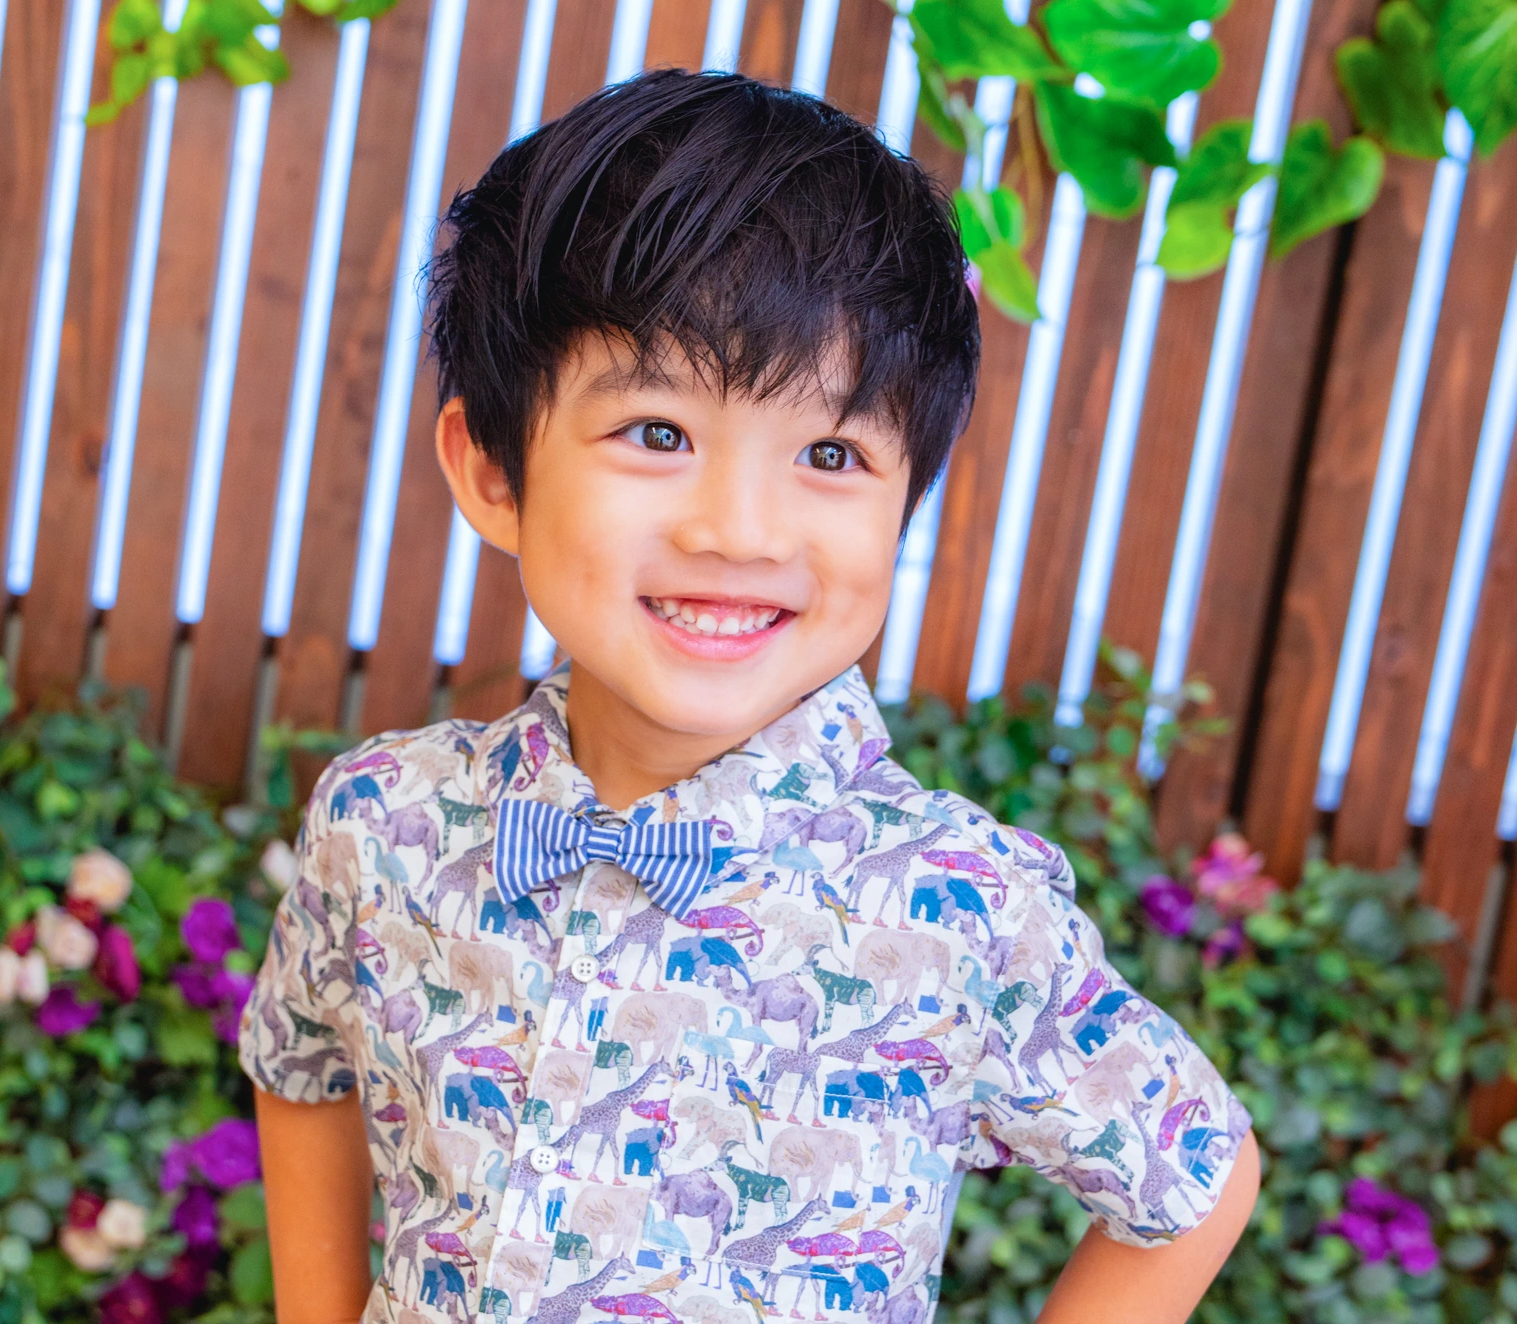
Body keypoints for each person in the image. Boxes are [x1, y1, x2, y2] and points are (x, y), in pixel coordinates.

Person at [240, 68, 1259, 1324]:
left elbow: (1195, 1178)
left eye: (830, 452)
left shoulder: (962, 908)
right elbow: (296, 1064)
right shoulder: (381, 821)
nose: (738, 529)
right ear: (494, 470)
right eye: (657, 432)